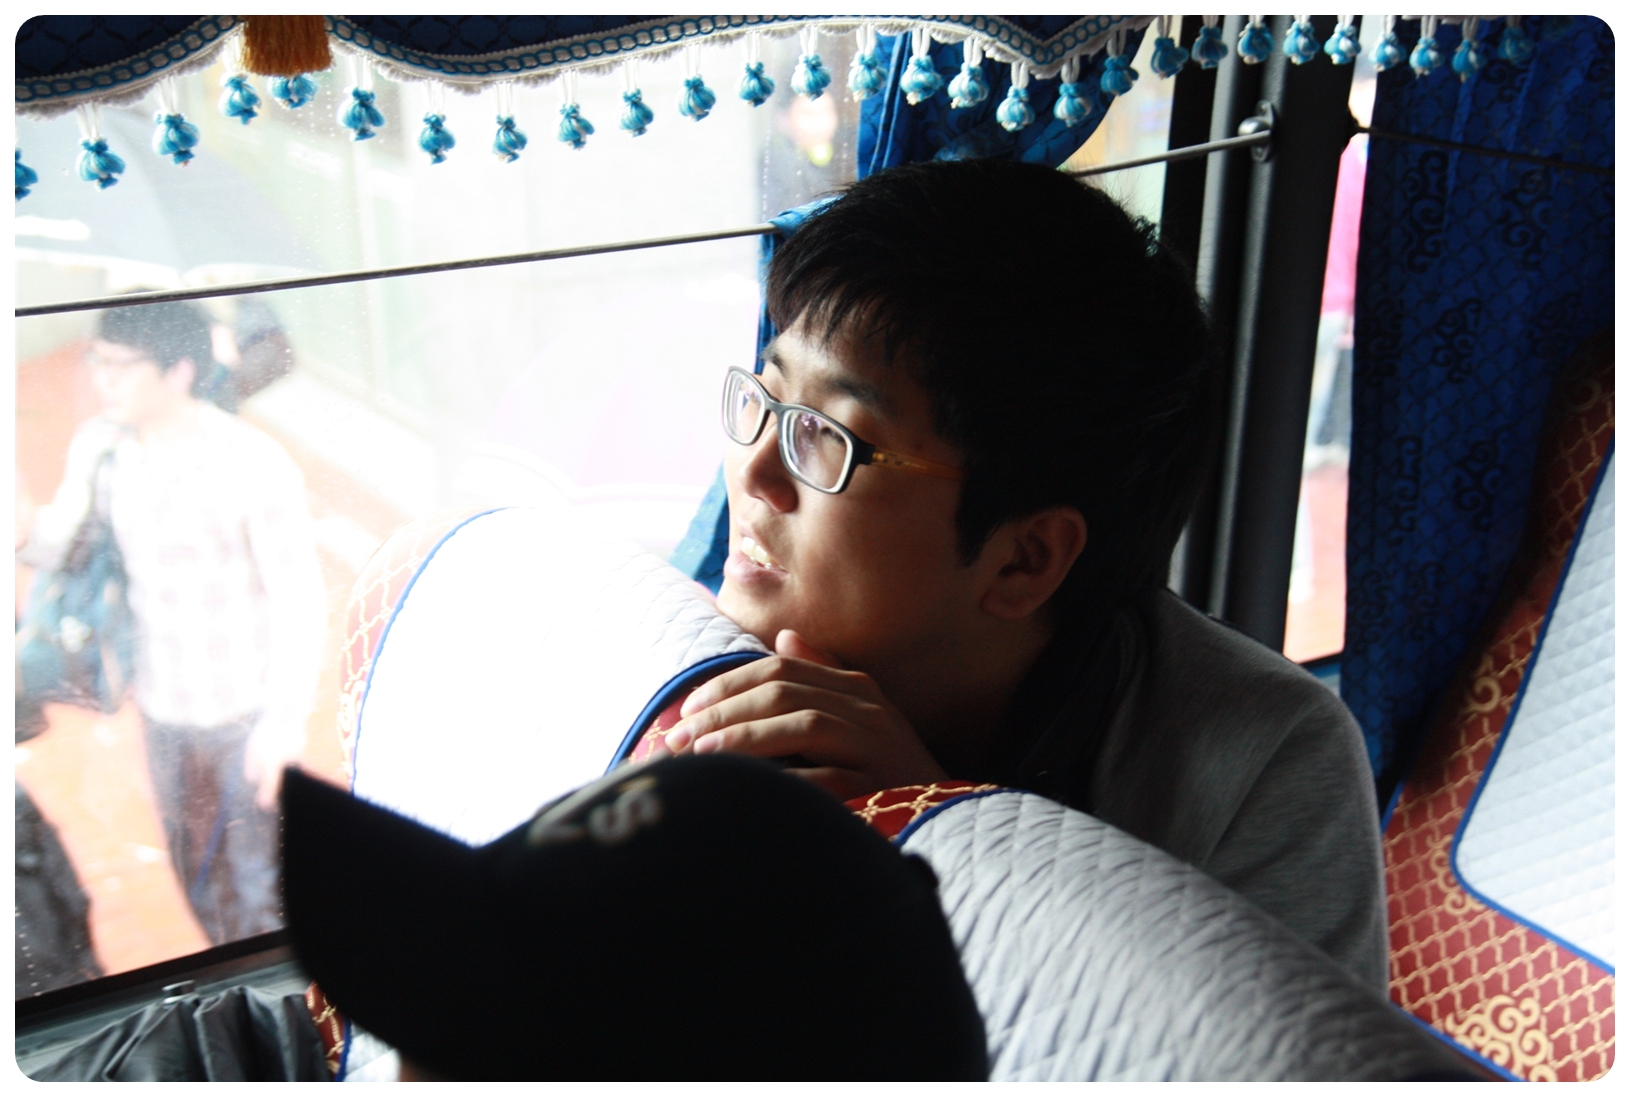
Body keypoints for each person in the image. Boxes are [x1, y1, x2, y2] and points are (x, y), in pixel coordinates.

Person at [658, 159, 1388, 990]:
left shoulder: (1266, 763)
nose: (754, 471)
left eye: (826, 435)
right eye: (766, 394)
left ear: (1023, 558)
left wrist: (951, 836)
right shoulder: (684, 672)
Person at [16, 301, 326, 946]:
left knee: (261, 892)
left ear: (179, 371)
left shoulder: (252, 464)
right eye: (97, 361)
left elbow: (298, 600)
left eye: (120, 366)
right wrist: (18, 517)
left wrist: (282, 723)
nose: (102, 380)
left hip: (244, 713)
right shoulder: (102, 446)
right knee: (197, 878)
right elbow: (58, 545)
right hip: (161, 709)